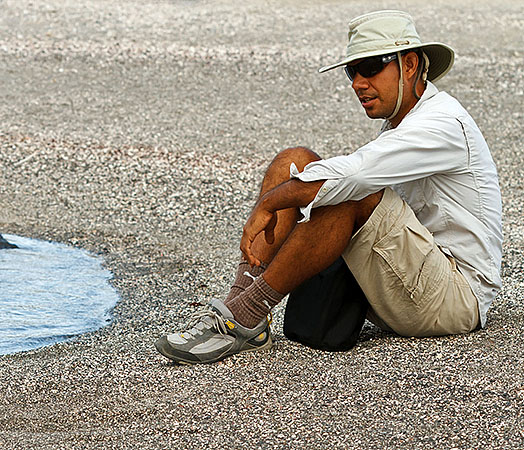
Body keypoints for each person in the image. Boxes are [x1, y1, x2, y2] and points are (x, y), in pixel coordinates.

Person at [155, 10, 503, 364]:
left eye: (370, 67)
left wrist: (268, 204)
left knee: (351, 191)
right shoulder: (405, 124)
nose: (357, 83)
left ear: (409, 64)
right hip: (403, 285)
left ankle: (244, 314)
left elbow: (355, 177)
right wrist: (284, 194)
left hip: (454, 299)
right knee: (293, 160)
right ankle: (240, 310)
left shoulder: (442, 123)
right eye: (353, 71)